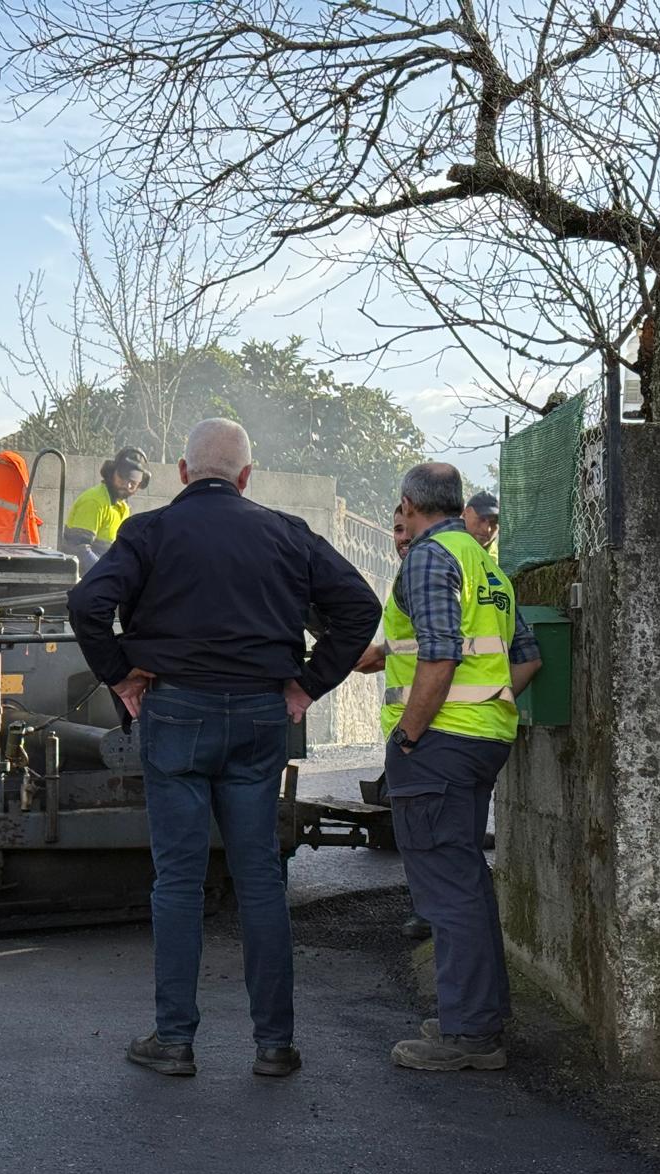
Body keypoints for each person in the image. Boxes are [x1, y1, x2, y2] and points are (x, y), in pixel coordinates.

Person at [67, 418, 380, 1079]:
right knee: (260, 877)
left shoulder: (147, 531)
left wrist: (121, 676)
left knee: (179, 880)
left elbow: (88, 602)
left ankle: (174, 1041)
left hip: (176, 711)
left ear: (183, 473)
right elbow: (359, 606)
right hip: (262, 714)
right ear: (246, 476)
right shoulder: (288, 533)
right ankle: (275, 1045)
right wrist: (307, 685)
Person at [379, 464, 541, 1071]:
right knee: (466, 880)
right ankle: (479, 1015)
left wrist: (408, 735)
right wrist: (487, 704)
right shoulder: (488, 567)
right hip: (483, 741)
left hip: (438, 746)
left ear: (409, 503)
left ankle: (469, 1034)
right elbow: (527, 658)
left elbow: (441, 656)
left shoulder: (429, 556)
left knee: (446, 891)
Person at [358, 507, 432, 941]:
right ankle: (429, 907)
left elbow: (439, 644)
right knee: (418, 827)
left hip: (420, 727)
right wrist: (381, 652)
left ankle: (430, 911)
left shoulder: (426, 571)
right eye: (396, 530)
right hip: (408, 725)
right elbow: (412, 641)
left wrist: (408, 735)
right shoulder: (410, 575)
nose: (402, 538)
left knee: (423, 829)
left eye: (409, 528)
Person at [61, 447, 148, 572]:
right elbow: (79, 550)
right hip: (82, 579)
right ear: (112, 472)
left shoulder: (123, 508)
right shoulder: (94, 502)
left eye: (132, 483)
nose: (126, 485)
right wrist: (107, 574)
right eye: (122, 478)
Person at [463, 491, 500, 558]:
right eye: (482, 519)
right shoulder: (448, 549)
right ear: (465, 514)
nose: (487, 529)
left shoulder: (502, 557)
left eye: (493, 522)